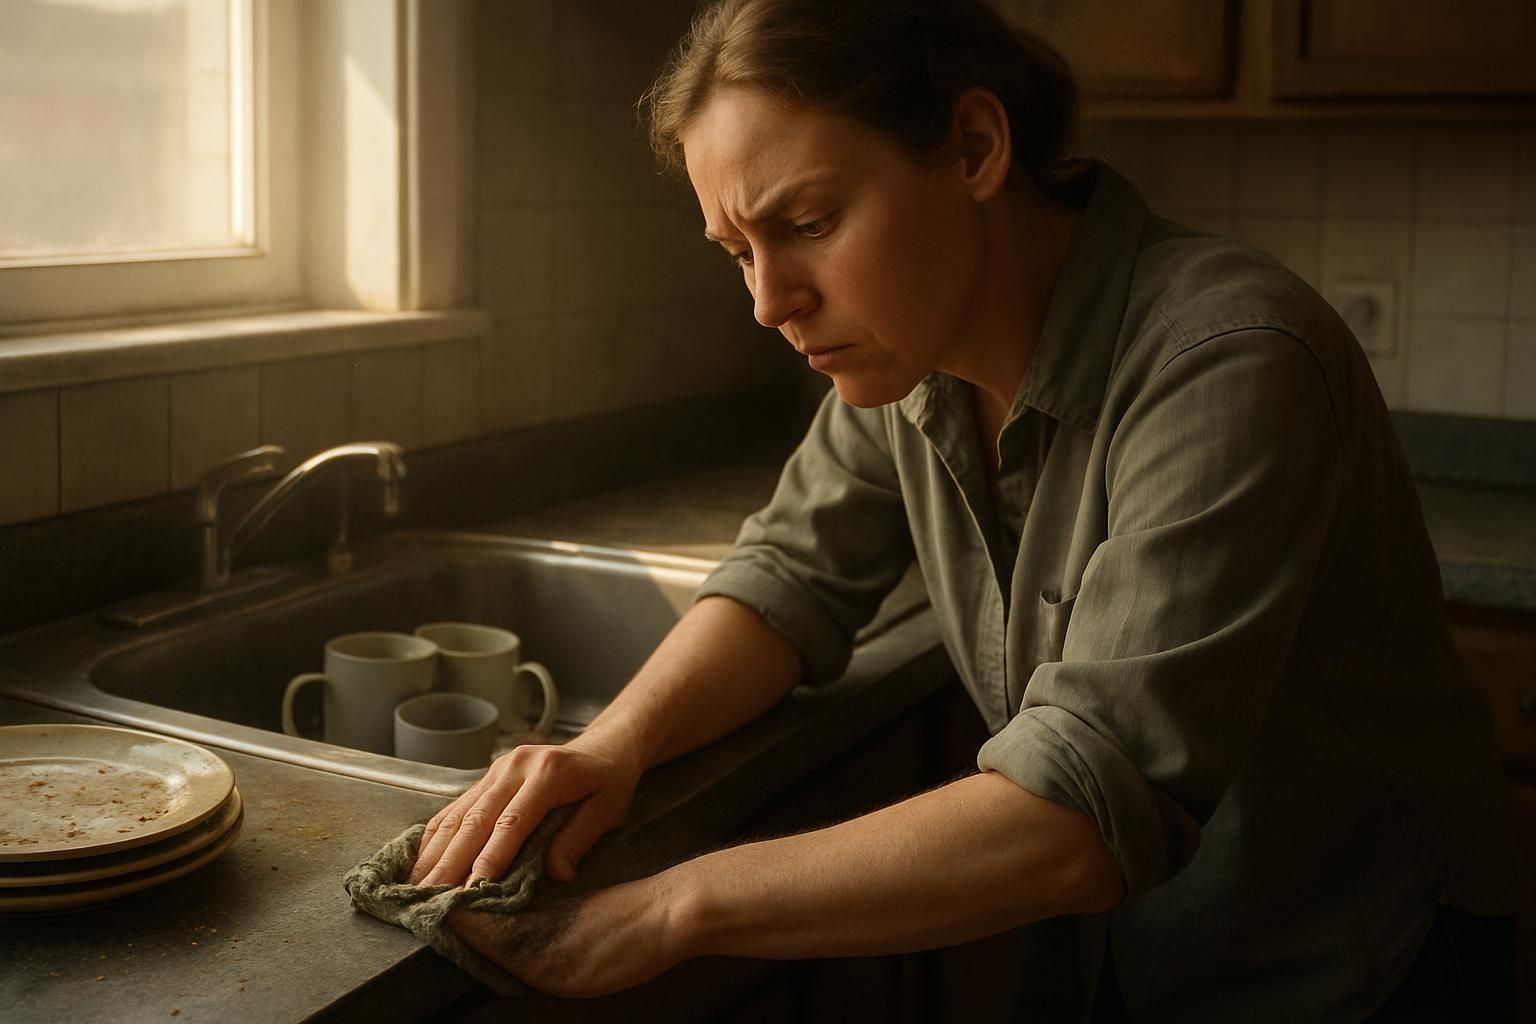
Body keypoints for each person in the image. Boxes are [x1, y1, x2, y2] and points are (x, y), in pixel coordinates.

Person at [407, 0, 1527, 1017]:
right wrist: (613, 745)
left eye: (806, 221)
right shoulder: (909, 357)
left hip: (1363, 969)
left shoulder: (1231, 359)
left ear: (975, 147)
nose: (767, 301)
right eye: (737, 250)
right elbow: (791, 574)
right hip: (1132, 956)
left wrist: (667, 909)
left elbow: (1077, 813)